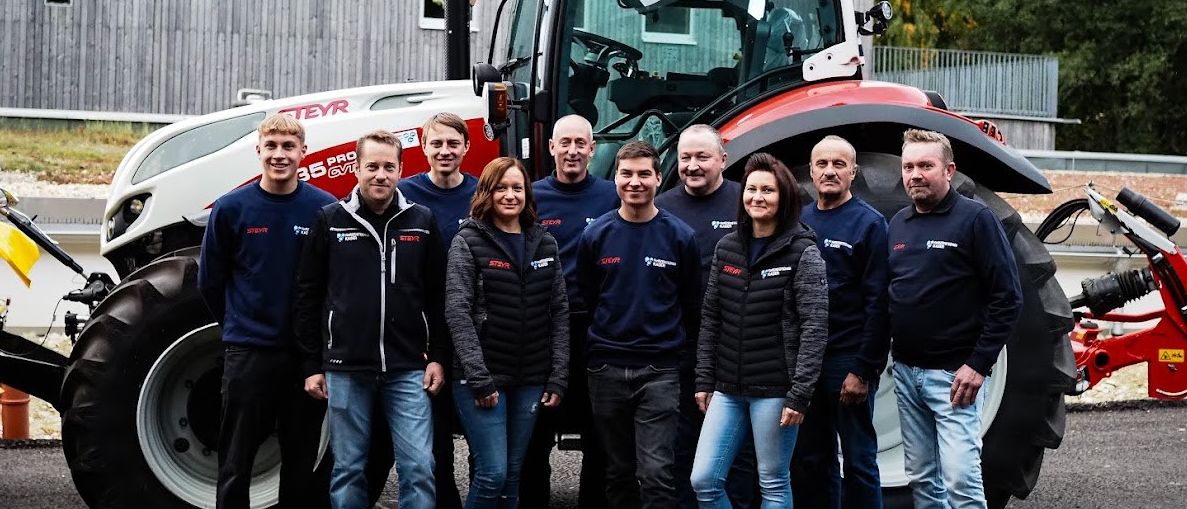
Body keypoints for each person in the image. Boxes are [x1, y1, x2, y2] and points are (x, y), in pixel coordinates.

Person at [293, 129, 448, 509]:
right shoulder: (329, 220)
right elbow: (307, 295)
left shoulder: (422, 221)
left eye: (388, 167)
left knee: (419, 467)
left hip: (408, 366)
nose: (380, 175)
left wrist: (439, 356)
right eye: (372, 166)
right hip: (346, 368)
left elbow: (439, 296)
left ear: (400, 170)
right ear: (357, 169)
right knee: (348, 468)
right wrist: (313, 365)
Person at [197, 114, 336, 509]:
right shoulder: (230, 209)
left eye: (288, 147)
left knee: (299, 462)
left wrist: (316, 349)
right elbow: (210, 282)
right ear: (258, 151)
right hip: (249, 355)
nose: (280, 155)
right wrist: (240, 326)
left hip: (305, 359)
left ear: (303, 152)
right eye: (271, 146)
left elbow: (331, 285)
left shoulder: (323, 209)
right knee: (236, 460)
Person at [887, 129, 1022, 509]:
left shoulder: (976, 219)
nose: (915, 174)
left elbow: (1008, 297)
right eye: (909, 166)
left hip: (953, 378)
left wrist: (978, 366)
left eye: (925, 166)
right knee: (922, 478)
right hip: (906, 374)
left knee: (961, 480)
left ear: (949, 170)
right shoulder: (899, 224)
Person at [690, 152, 829, 508]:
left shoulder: (803, 252)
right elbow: (711, 318)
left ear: (783, 197)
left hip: (775, 390)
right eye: (751, 189)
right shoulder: (728, 247)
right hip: (728, 388)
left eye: (767, 190)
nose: (757, 197)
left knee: (773, 484)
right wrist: (705, 379)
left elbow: (815, 326)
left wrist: (800, 394)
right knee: (703, 480)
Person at [577, 141, 701, 508]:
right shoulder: (595, 236)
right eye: (626, 174)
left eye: (644, 174)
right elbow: (589, 298)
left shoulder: (680, 237)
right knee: (617, 472)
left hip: (659, 370)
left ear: (659, 178)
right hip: (606, 368)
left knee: (657, 474)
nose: (635, 182)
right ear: (615, 178)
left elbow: (690, 303)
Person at [446, 156, 571, 509]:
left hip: (531, 376)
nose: (510, 195)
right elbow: (457, 311)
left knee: (513, 474)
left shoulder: (544, 243)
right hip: (483, 378)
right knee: (492, 474)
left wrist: (558, 376)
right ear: (487, 192)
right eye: (501, 187)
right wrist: (479, 378)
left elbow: (559, 311)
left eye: (517, 187)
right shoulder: (468, 241)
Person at [654, 124, 754, 509]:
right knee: (681, 443)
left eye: (702, 157)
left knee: (738, 450)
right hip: (681, 346)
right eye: (685, 158)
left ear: (724, 160)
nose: (693, 166)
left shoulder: (744, 202)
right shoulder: (665, 206)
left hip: (734, 347)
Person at [521, 114, 619, 509]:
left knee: (599, 433)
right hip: (544, 331)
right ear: (551, 148)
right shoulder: (532, 196)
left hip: (596, 330)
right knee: (538, 432)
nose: (573, 151)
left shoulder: (612, 195)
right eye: (566, 143)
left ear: (592, 149)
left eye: (581, 143)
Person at [793, 135, 890, 508]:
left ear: (853, 171)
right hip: (807, 363)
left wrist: (862, 370)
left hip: (846, 361)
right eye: (822, 164)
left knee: (859, 459)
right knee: (813, 460)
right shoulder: (800, 220)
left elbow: (880, 303)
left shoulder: (869, 224)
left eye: (838, 164)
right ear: (812, 170)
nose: (829, 171)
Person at [397, 111, 480, 508]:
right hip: (423, 328)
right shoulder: (403, 194)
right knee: (435, 436)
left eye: (453, 143)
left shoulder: (483, 195)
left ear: (466, 146)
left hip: (476, 329)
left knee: (483, 434)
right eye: (437, 143)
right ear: (423, 145)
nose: (444, 151)